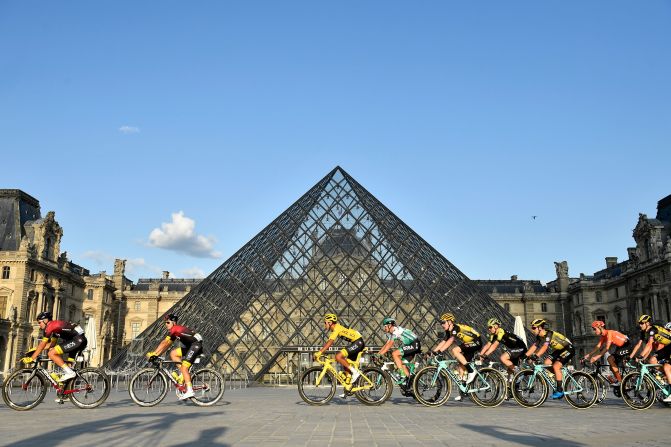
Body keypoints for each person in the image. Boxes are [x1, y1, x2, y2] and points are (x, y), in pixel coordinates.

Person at [146, 314, 203, 400]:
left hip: (195, 345)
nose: (166, 324)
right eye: (165, 323)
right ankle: (181, 377)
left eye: (168, 322)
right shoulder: (174, 333)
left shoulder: (175, 329)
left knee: (184, 368)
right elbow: (167, 345)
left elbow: (164, 342)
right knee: (173, 353)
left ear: (174, 322)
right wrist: (157, 354)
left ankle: (190, 391)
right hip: (191, 346)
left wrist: (154, 353)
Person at [21, 311, 87, 383]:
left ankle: (70, 373)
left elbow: (43, 343)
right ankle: (66, 389)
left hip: (78, 340)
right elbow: (51, 344)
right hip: (77, 340)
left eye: (40, 322)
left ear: (45, 320)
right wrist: (36, 349)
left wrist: (32, 357)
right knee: (68, 368)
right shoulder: (55, 329)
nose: (39, 325)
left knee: (51, 353)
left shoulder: (50, 326)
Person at [524, 318, 574, 399]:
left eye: (534, 328)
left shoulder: (549, 334)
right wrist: (525, 356)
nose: (532, 330)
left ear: (540, 328)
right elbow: (534, 346)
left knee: (556, 366)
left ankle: (559, 390)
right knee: (547, 362)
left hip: (568, 349)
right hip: (559, 350)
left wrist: (536, 355)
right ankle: (558, 376)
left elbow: (545, 346)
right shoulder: (540, 336)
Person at [314, 313, 365, 388]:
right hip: (356, 342)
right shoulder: (337, 328)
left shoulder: (336, 328)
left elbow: (330, 342)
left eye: (325, 323)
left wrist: (320, 352)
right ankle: (348, 387)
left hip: (358, 342)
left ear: (330, 322)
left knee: (338, 356)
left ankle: (355, 372)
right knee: (345, 363)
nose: (325, 325)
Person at [430, 312, 482, 385]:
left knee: (455, 350)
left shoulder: (455, 328)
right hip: (470, 344)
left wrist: (439, 351)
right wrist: (433, 351)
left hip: (476, 342)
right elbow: (443, 342)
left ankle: (471, 371)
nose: (442, 325)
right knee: (461, 366)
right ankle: (464, 392)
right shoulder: (449, 330)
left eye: (443, 322)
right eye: (441, 323)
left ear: (450, 322)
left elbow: (450, 340)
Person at [630, 314, 671, 402]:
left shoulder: (652, 330)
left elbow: (649, 345)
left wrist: (640, 356)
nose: (640, 325)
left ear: (648, 323)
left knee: (667, 367)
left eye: (642, 323)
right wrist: (642, 357)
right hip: (668, 347)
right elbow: (648, 347)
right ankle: (666, 377)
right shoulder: (644, 332)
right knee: (652, 360)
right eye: (639, 323)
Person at [582, 320, 631, 386]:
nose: (594, 331)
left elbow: (607, 348)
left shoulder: (609, 333)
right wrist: (589, 355)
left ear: (599, 327)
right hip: (620, 347)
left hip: (626, 345)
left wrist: (596, 357)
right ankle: (620, 384)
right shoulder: (604, 336)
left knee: (610, 359)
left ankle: (620, 382)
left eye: (594, 329)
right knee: (611, 367)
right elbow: (598, 347)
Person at [376, 317, 421, 388]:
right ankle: (410, 383)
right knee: (402, 363)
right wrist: (378, 354)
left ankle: (402, 375)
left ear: (390, 325)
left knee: (395, 353)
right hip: (412, 345)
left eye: (385, 326)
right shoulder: (392, 333)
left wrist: (380, 354)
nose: (384, 328)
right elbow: (386, 345)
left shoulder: (395, 330)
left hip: (414, 344)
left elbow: (390, 344)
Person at [479, 317, 527, 381]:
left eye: (490, 327)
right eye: (488, 327)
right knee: (509, 374)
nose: (489, 329)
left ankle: (519, 373)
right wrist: (480, 355)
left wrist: (485, 355)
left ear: (496, 326)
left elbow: (494, 345)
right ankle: (513, 387)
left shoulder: (501, 332)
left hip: (521, 348)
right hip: (515, 349)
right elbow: (488, 345)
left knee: (503, 358)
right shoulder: (493, 334)